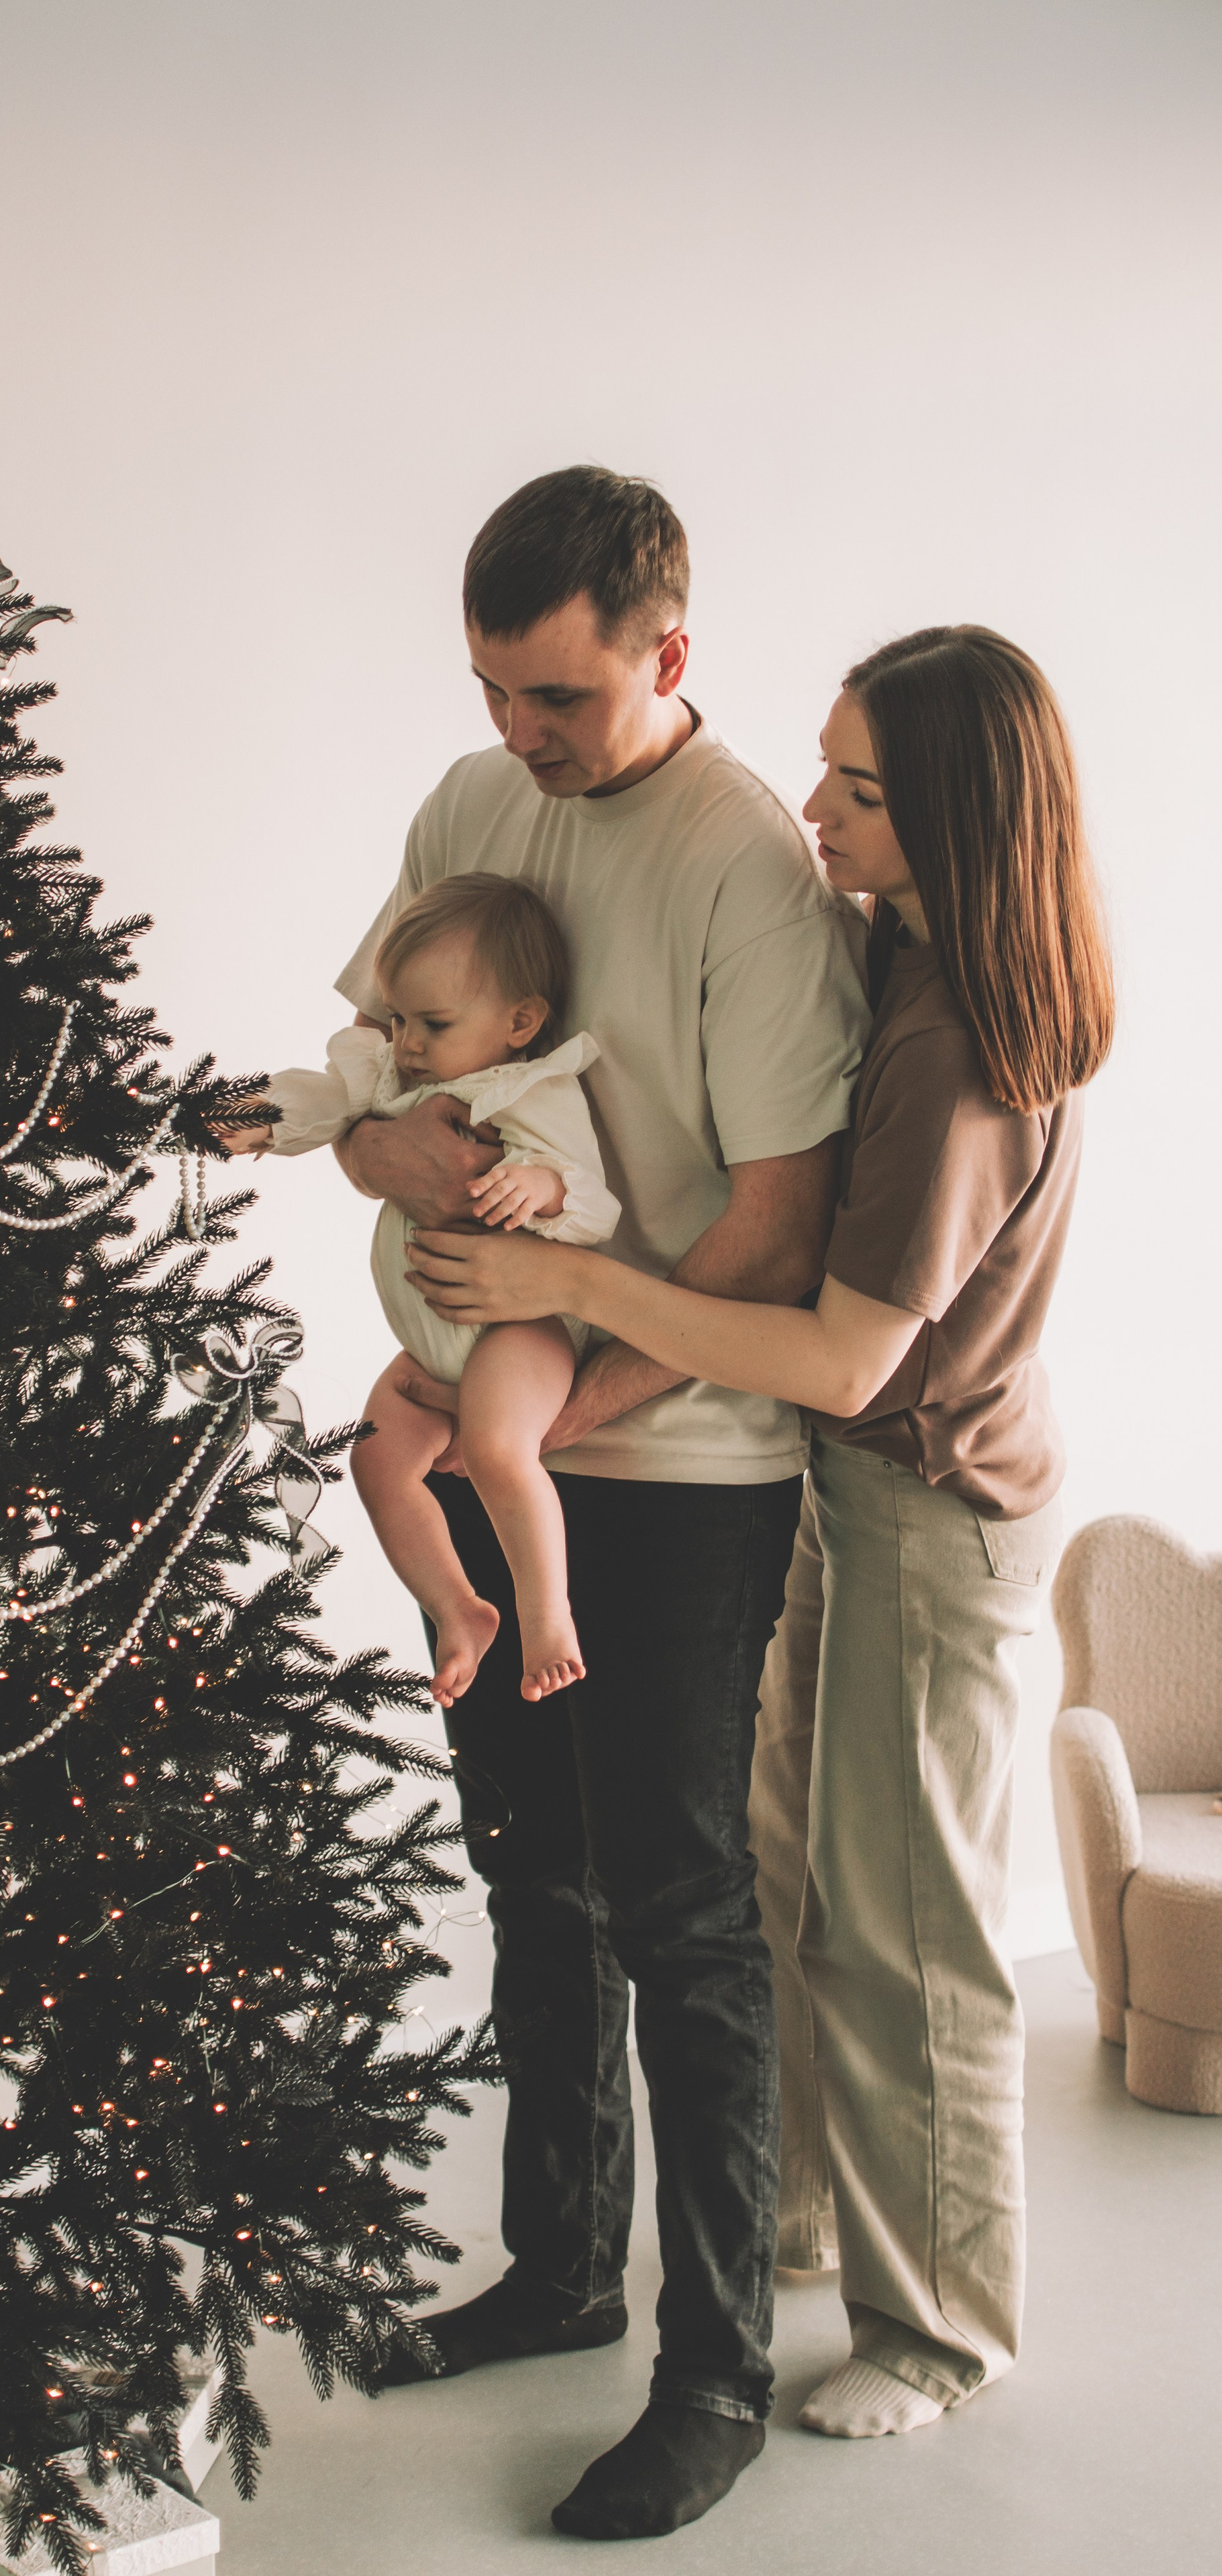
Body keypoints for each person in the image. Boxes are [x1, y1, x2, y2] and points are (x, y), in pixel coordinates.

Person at [406, 625, 1113, 2457]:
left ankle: (943, 2329)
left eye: (863, 792)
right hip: (842, 1488)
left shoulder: (962, 1047)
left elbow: (839, 1340)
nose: (815, 809)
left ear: (956, 817)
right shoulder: (899, 951)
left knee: (912, 1935)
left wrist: (571, 1289)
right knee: (791, 1880)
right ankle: (799, 2216)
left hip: (937, 1518)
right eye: (822, 766)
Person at [329, 466, 870, 2541]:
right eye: (488, 688)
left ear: (665, 651)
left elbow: (767, 1226)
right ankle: (556, 2274)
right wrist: (390, 1165)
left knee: (678, 1906)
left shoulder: (746, 869)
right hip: (498, 1428)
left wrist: (563, 1413)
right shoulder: (473, 814)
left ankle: (712, 2365)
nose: (516, 741)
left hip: (681, 1459)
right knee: (529, 1884)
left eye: (554, 697)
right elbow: (378, 1082)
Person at [217, 873, 621, 1705]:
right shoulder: (395, 1081)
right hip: (430, 1336)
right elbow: (329, 1099)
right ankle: (457, 1607)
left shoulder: (530, 1089)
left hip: (522, 1330)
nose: (406, 1044)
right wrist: (264, 1116)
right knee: (374, 1455)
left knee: (502, 1449)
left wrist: (541, 1187)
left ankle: (547, 1617)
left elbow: (594, 1204)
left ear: (521, 1020)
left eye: (433, 1025)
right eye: (398, 1020)